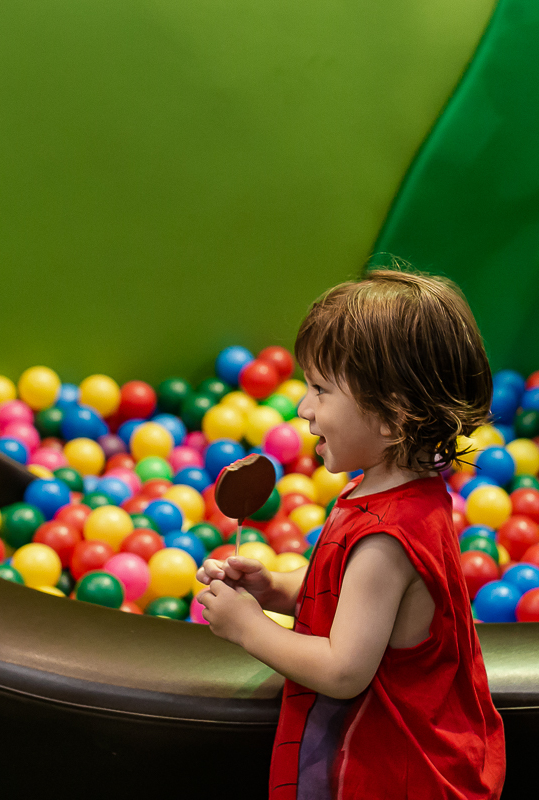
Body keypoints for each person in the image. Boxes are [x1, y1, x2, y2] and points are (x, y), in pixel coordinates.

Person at [196, 270, 505, 799]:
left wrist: (250, 627)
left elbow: (343, 670)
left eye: (320, 389)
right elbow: (346, 597)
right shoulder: (387, 494)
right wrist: (275, 588)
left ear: (392, 417)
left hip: (396, 774)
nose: (303, 408)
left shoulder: (387, 539)